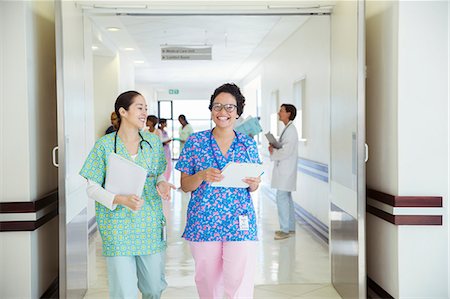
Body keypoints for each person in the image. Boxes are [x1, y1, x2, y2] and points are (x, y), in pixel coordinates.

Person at [79, 90, 175, 299]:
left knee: (153, 287)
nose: (144, 113)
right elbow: (92, 188)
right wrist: (120, 199)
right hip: (116, 226)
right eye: (139, 108)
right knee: (124, 292)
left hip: (148, 222)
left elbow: (158, 174)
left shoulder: (152, 143)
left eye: (146, 109)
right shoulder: (104, 146)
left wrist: (163, 184)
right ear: (123, 111)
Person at [175, 83, 262, 299]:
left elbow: (255, 184)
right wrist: (201, 175)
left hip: (240, 222)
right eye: (217, 106)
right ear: (211, 109)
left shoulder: (247, 145)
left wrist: (253, 183)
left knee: (239, 281)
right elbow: (185, 185)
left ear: (238, 111)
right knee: (207, 282)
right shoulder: (196, 142)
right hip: (204, 221)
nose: (223, 112)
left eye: (230, 107)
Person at [268, 104, 299, 240]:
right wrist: (276, 146)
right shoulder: (288, 129)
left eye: (281, 111)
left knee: (281, 197)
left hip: (286, 170)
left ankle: (284, 230)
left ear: (288, 113)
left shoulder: (291, 130)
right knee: (286, 198)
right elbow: (285, 147)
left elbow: (286, 151)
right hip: (286, 170)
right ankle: (290, 228)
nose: (278, 113)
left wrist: (274, 151)